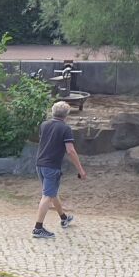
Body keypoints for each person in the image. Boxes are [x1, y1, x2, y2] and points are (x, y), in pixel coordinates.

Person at [33, 101, 86, 239]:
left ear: (52, 111)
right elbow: (71, 150)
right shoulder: (65, 129)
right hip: (52, 166)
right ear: (66, 115)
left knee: (51, 193)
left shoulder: (44, 125)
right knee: (47, 196)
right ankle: (38, 229)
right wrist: (80, 169)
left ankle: (64, 218)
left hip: (40, 164)